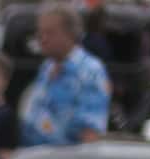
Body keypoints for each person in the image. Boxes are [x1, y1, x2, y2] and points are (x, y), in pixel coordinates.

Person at [22, 3, 109, 147]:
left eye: (50, 33)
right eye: (40, 33)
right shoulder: (47, 66)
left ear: (71, 34)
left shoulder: (91, 71)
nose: (42, 39)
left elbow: (90, 133)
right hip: (33, 155)